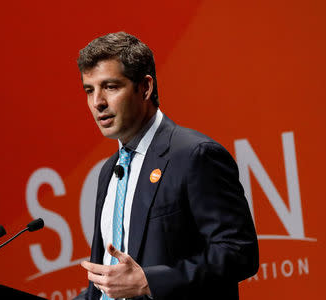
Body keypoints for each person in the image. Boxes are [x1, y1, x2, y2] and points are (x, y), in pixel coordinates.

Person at [75, 32, 258, 300]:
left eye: (111, 87)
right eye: (89, 90)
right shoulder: (109, 171)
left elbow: (239, 252)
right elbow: (108, 286)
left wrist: (151, 282)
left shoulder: (194, 155)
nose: (97, 102)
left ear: (145, 88)